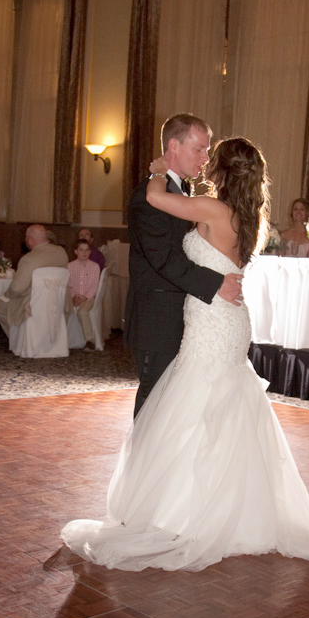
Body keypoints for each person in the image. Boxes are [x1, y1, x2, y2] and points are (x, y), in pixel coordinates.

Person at [61, 136, 309, 573]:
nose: (205, 164)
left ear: (222, 171)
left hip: (214, 319)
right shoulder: (250, 215)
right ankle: (232, 509)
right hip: (227, 319)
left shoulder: (214, 210)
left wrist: (157, 167)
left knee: (197, 404)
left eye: (211, 159)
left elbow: (156, 197)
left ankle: (186, 511)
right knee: (220, 407)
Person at [122, 113, 242, 416]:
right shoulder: (147, 198)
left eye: (207, 150)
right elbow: (164, 259)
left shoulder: (180, 192)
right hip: (157, 319)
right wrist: (216, 284)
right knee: (154, 405)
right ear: (173, 145)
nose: (205, 158)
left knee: (172, 409)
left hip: (183, 316)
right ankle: (143, 465)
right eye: (198, 149)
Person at [0, 223, 68, 336]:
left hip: (34, 304)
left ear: (30, 240)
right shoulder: (61, 252)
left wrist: (7, 294)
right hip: (59, 301)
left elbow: (17, 289)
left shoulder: (29, 258)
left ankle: (17, 338)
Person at [67, 238, 100, 349]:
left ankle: (88, 339)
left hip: (88, 299)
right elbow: (69, 285)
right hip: (74, 297)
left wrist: (84, 298)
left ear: (90, 252)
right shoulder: (70, 266)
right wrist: (74, 296)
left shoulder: (95, 267)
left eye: (86, 250)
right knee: (63, 308)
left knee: (82, 312)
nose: (84, 253)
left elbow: (94, 287)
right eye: (81, 250)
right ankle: (64, 339)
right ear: (76, 251)